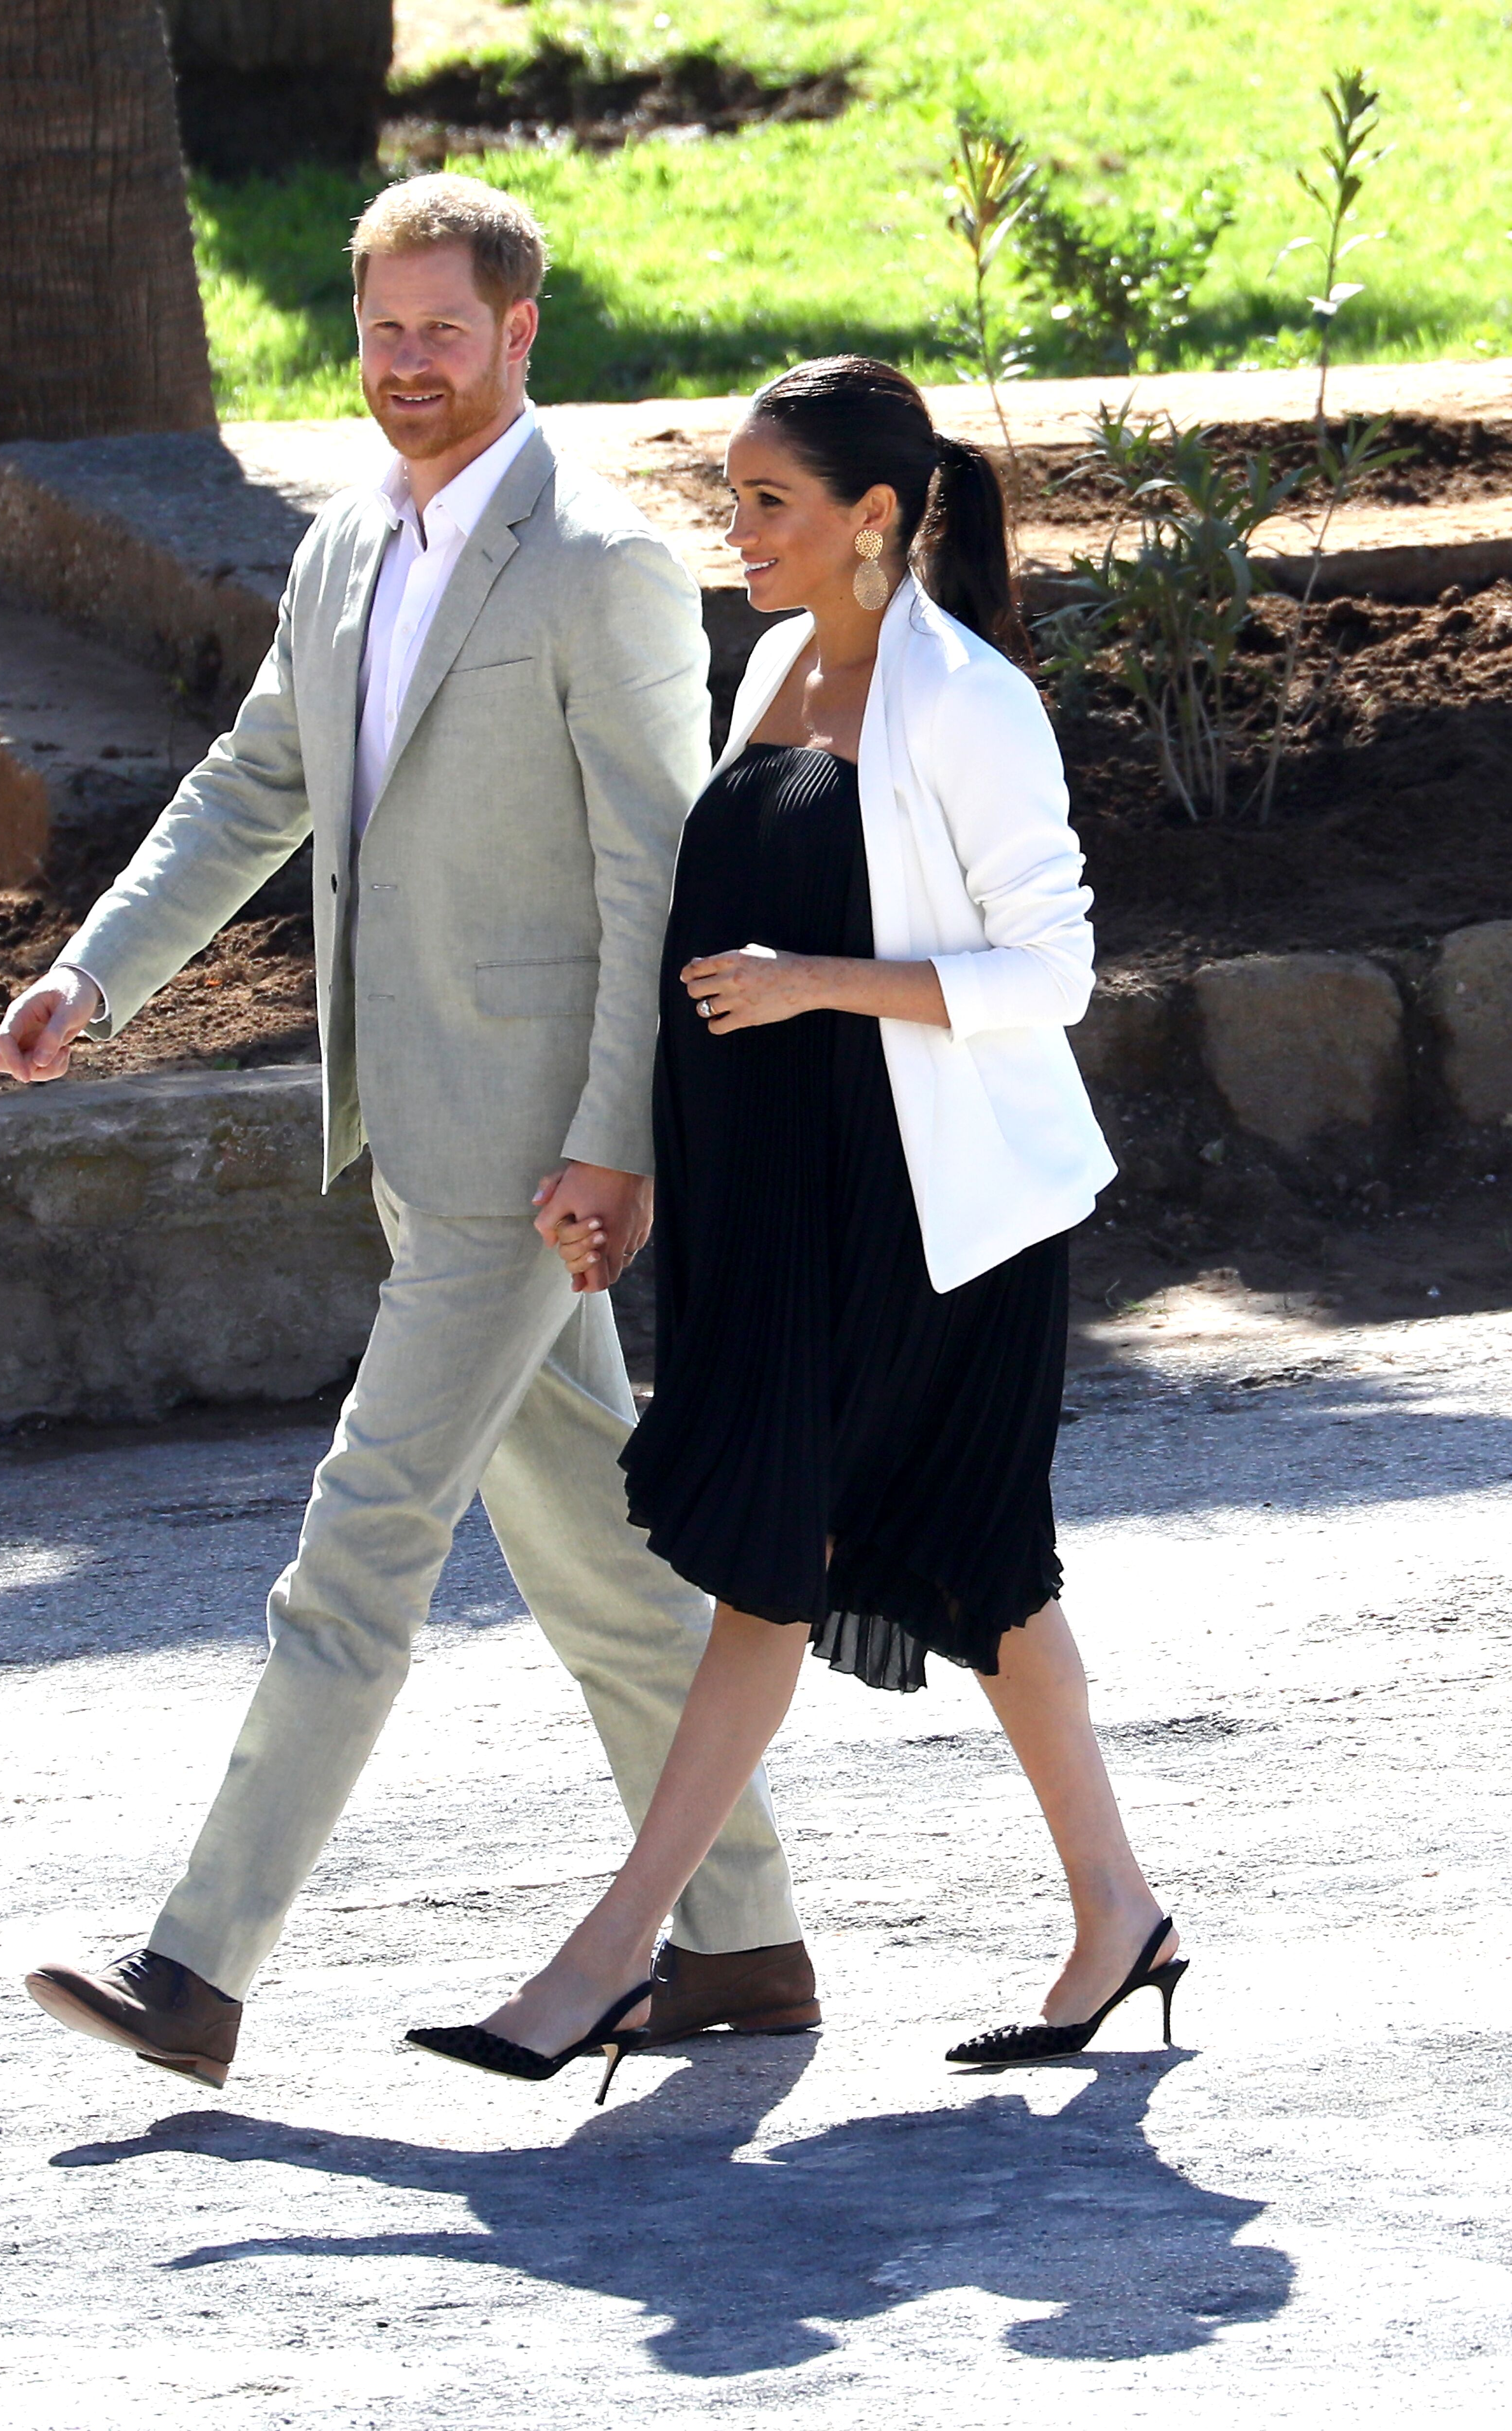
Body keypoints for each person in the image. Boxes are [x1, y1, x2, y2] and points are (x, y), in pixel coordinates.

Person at [0, 175, 818, 2092]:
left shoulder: (599, 561)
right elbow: (257, 776)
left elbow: (659, 878)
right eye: (384, 333)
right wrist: (97, 973)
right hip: (419, 1130)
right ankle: (747, 1936)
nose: (411, 367)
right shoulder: (349, 542)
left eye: (447, 331)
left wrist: (620, 1145)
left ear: (524, 335)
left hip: (535, 1158)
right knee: (612, 1566)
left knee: (360, 1538)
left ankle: (197, 1966)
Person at [406, 357, 1186, 2102]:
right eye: (732, 498)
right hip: (775, 1210)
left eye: (768, 502)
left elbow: (1051, 970)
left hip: (926, 1219)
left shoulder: (966, 700)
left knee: (778, 1559)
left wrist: (815, 985)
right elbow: (704, 973)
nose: (734, 530)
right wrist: (645, 1175)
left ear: (877, 517)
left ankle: (610, 1962)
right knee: (983, 1573)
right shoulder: (771, 669)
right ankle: (1117, 1913)